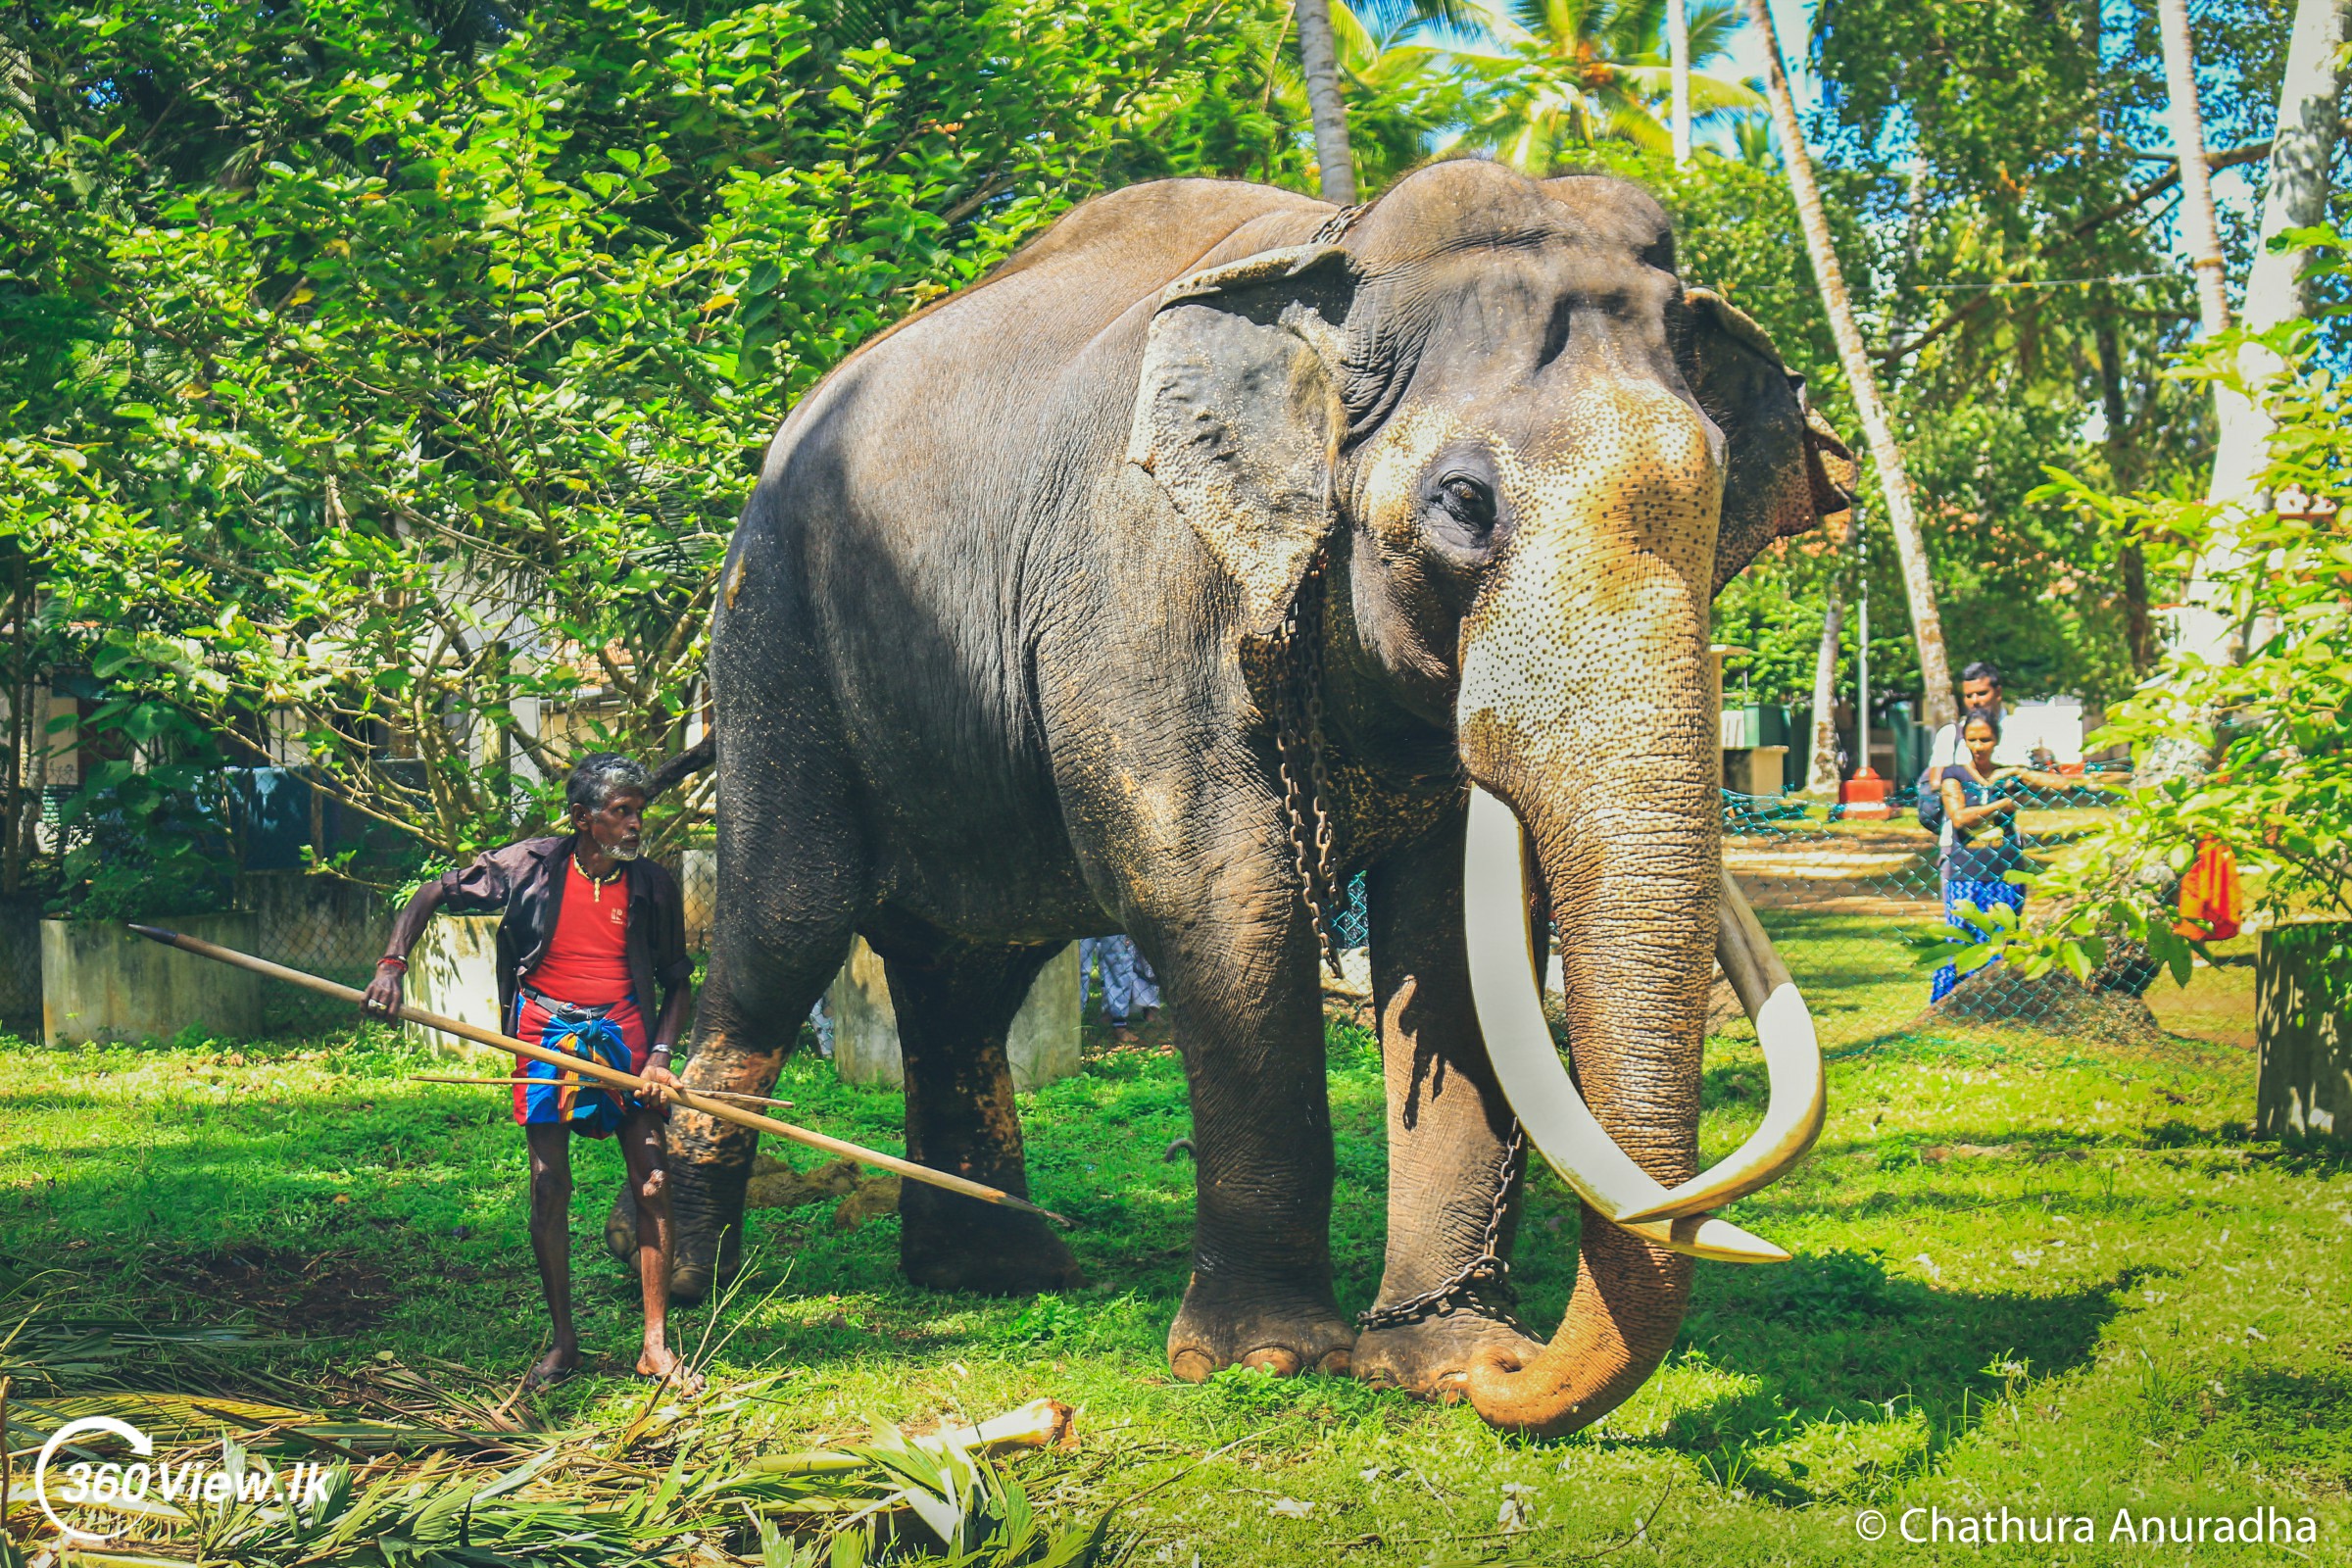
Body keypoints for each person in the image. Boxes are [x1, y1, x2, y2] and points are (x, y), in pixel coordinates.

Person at [364, 755, 700, 1392]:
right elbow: (433, 890)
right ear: (582, 818)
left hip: (625, 1035)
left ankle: (655, 1347)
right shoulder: (529, 868)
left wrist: (659, 1057)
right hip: (545, 1034)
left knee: (654, 1178)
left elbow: (677, 981)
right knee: (548, 1184)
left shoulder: (654, 885)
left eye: (638, 812)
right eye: (620, 812)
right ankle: (564, 1343)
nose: (635, 825)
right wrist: (391, 965)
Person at [1930, 708, 2071, 1003]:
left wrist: (2019, 772)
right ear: (1964, 741)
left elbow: (2062, 785)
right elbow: (1959, 818)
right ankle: (1946, 1001)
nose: (1979, 747)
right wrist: (1999, 806)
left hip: (2006, 870)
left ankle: (1990, 1002)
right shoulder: (1953, 775)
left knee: (2001, 939)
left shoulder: (2007, 775)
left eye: (1985, 739)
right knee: (1960, 936)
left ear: (1996, 740)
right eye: (1972, 740)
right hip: (1966, 871)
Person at [1080, 934, 1160, 1045]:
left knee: (1118, 964)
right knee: (1080, 964)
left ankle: (1119, 1025)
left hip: (1111, 922)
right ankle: (1077, 1022)